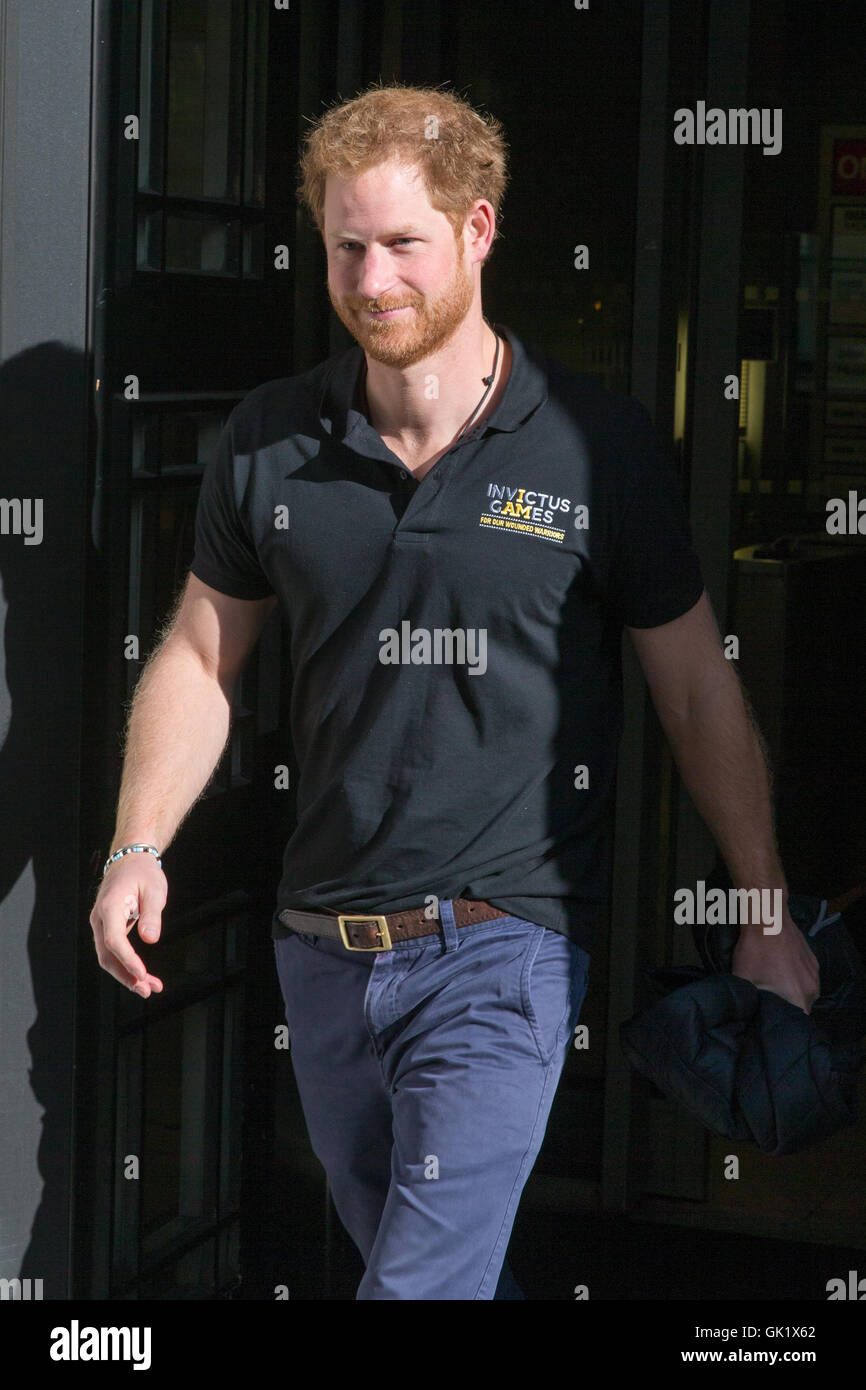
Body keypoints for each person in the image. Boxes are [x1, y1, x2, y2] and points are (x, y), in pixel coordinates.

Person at [89, 83, 819, 1300]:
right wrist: (136, 841)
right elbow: (200, 656)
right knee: (430, 1272)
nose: (371, 279)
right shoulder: (271, 440)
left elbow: (695, 692)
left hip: (499, 951)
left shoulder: (592, 447)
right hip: (321, 951)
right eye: (345, 247)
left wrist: (762, 904)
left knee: (417, 1288)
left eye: (401, 244)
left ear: (477, 230)